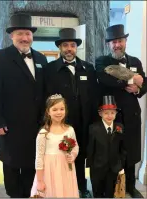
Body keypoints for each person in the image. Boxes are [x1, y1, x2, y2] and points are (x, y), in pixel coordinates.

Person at [0, 13, 47, 198]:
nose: (24, 38)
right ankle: (14, 195)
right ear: (11, 36)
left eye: (27, 33)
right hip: (9, 125)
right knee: (11, 166)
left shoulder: (41, 59)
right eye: (20, 33)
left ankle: (29, 194)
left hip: (36, 125)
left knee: (32, 164)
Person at [44, 28, 100, 198]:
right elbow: (45, 97)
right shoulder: (50, 69)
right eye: (66, 45)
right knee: (63, 155)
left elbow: (95, 94)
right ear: (60, 47)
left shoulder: (88, 68)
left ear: (76, 48)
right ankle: (64, 188)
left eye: (73, 45)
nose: (69, 48)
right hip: (62, 122)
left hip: (84, 122)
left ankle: (82, 187)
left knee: (80, 155)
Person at [95, 24, 147, 198]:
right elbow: (105, 79)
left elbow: (144, 84)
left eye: (120, 41)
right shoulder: (102, 61)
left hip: (132, 115)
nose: (117, 45)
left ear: (125, 41)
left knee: (131, 153)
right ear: (108, 44)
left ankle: (130, 187)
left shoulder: (135, 61)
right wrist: (132, 80)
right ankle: (110, 189)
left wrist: (138, 89)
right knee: (112, 153)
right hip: (111, 115)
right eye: (113, 42)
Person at [30, 94, 79, 198]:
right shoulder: (44, 133)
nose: (59, 112)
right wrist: (40, 181)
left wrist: (73, 155)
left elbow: (75, 146)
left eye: (62, 109)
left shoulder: (70, 130)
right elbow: (39, 158)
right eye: (55, 109)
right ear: (48, 111)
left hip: (66, 169)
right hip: (50, 171)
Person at [86, 95, 126, 198]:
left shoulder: (120, 127)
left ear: (116, 113)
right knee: (97, 193)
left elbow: (123, 148)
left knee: (110, 192)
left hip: (113, 168)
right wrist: (88, 169)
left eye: (112, 113)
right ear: (100, 114)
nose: (109, 116)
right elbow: (90, 150)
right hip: (97, 169)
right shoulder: (93, 128)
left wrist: (120, 165)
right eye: (106, 113)